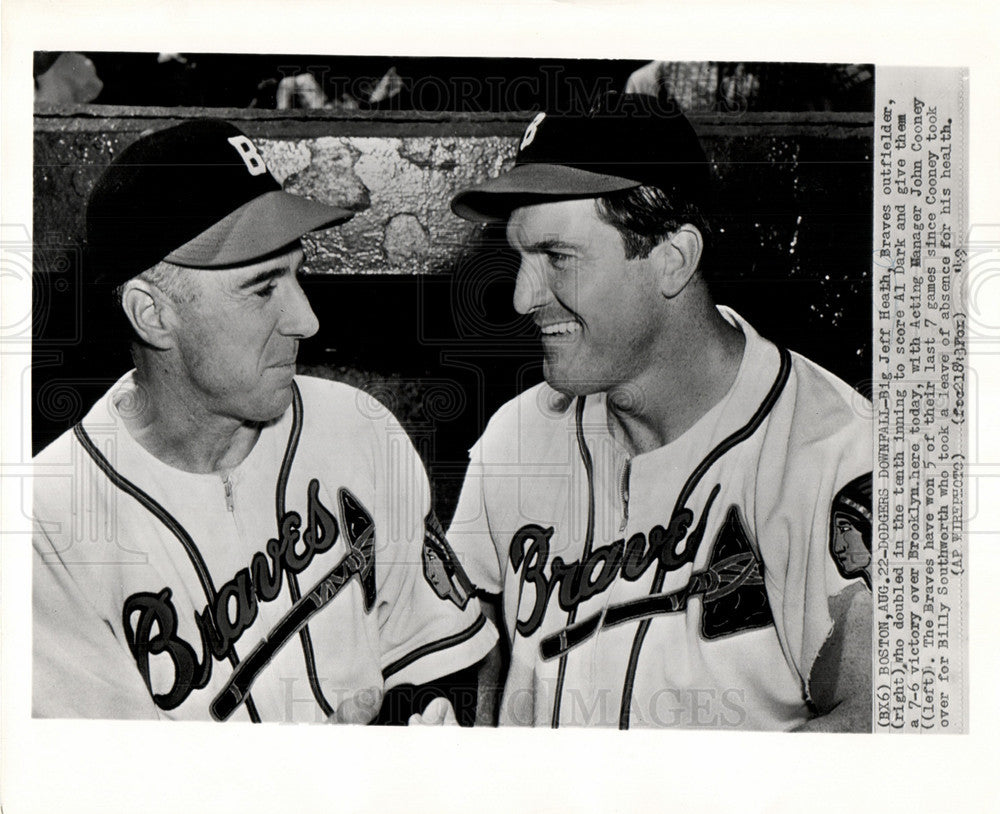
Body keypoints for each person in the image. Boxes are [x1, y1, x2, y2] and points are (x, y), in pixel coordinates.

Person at [32, 119, 496, 723]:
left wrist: (425, 719)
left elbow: (443, 655)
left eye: (296, 274)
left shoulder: (356, 428)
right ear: (152, 314)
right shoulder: (49, 522)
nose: (306, 320)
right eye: (261, 288)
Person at [447, 93, 872, 730]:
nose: (520, 296)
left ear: (673, 260)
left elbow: (892, 719)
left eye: (558, 257)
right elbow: (464, 649)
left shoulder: (834, 451)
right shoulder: (517, 436)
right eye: (519, 256)